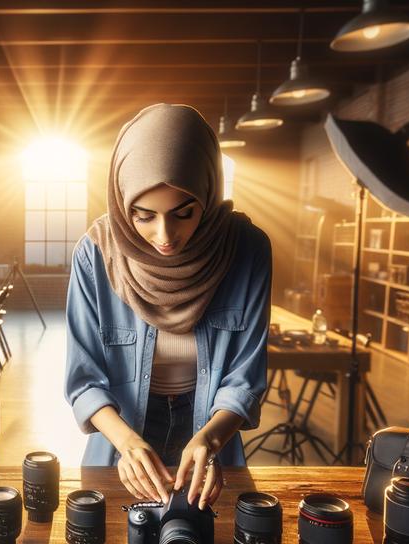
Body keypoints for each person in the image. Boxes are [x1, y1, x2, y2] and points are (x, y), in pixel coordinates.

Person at [64, 103, 272, 510]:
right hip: (122, 437)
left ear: (209, 193)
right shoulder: (95, 254)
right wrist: (126, 442)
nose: (165, 236)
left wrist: (211, 438)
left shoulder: (248, 250)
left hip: (211, 431)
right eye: (143, 217)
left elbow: (245, 378)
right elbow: (83, 380)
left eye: (184, 213)